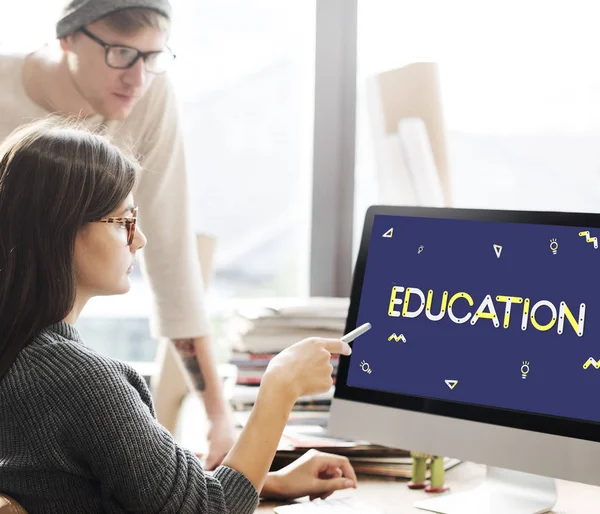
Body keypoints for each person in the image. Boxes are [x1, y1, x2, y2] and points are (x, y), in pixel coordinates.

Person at [0, 118, 357, 513]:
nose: (140, 240)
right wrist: (280, 387)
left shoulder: (22, 357)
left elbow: (101, 488)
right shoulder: (78, 381)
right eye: (124, 222)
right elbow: (208, 510)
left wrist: (265, 482)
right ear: (61, 230)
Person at [0, 0, 236, 468]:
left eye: (154, 57)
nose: (138, 78)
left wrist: (217, 417)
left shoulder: (150, 94)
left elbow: (170, 256)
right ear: (67, 37)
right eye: (121, 54)